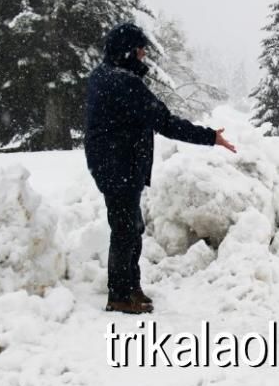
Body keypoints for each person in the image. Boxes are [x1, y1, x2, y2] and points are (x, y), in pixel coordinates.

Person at [85, 22, 236, 314]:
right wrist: (210, 137)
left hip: (112, 164)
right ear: (128, 50)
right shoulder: (123, 82)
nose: (144, 54)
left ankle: (130, 286)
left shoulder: (103, 76)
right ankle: (119, 294)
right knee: (126, 230)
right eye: (140, 49)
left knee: (130, 227)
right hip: (119, 165)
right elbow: (163, 121)